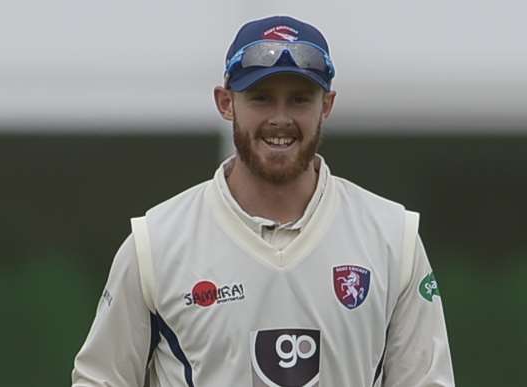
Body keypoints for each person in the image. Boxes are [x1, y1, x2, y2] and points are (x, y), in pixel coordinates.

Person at [72, 15, 455, 387]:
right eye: (261, 98)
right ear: (226, 103)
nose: (280, 118)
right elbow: (101, 379)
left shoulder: (392, 237)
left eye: (300, 100)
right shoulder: (155, 244)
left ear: (326, 105)